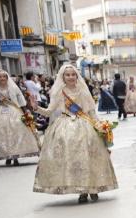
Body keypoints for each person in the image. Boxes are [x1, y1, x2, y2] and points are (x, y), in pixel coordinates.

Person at [32, 63, 118, 203]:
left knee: (90, 158)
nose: (71, 77)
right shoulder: (59, 92)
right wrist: (37, 108)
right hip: (65, 127)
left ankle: (93, 187)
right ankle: (82, 191)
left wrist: (100, 126)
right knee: (74, 160)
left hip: (85, 126)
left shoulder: (83, 91)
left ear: (77, 76)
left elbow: (91, 112)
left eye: (73, 74)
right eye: (68, 75)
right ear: (63, 77)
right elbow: (49, 111)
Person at [0, 69, 41, 166]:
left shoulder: (13, 87)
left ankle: (16, 156)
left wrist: (25, 110)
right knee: (1, 132)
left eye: (4, 76)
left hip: (13, 110)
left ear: (7, 77)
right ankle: (7, 156)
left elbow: (20, 99)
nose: (2, 78)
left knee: (17, 128)